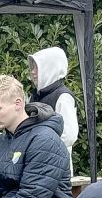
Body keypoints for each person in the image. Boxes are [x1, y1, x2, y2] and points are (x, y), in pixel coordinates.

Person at [28, 46, 78, 175]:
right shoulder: (35, 96)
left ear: (49, 68)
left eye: (37, 68)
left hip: (57, 168)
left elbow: (69, 136)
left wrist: (39, 144)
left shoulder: (63, 97)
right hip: (35, 164)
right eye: (32, 67)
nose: (33, 72)